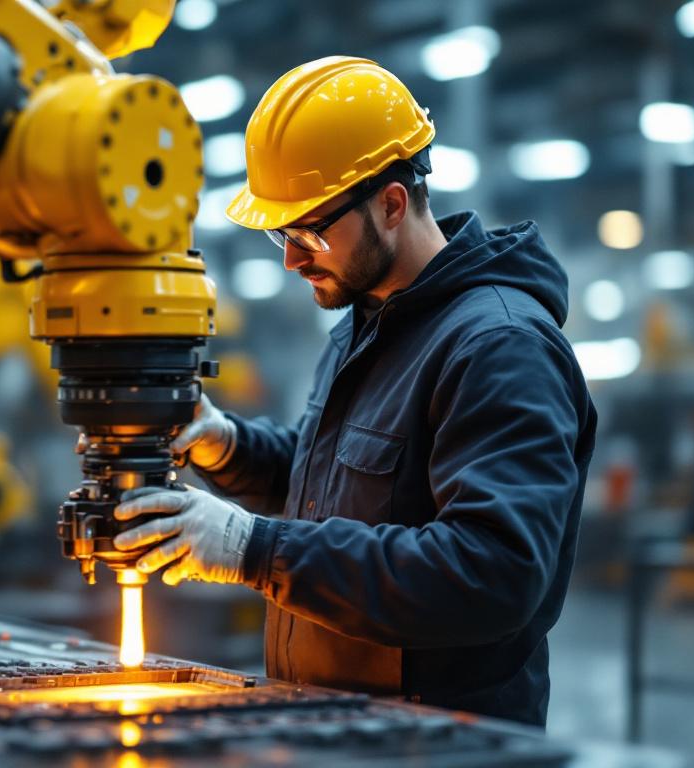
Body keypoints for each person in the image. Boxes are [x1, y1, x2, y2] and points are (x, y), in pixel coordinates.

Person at [112, 57, 597, 727]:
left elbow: (492, 573)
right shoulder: (363, 323)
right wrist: (226, 446)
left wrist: (253, 550)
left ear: (392, 203)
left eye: (309, 229)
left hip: (435, 742)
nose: (290, 257)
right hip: (337, 724)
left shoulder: (498, 346)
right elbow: (339, 489)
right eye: (280, 233)